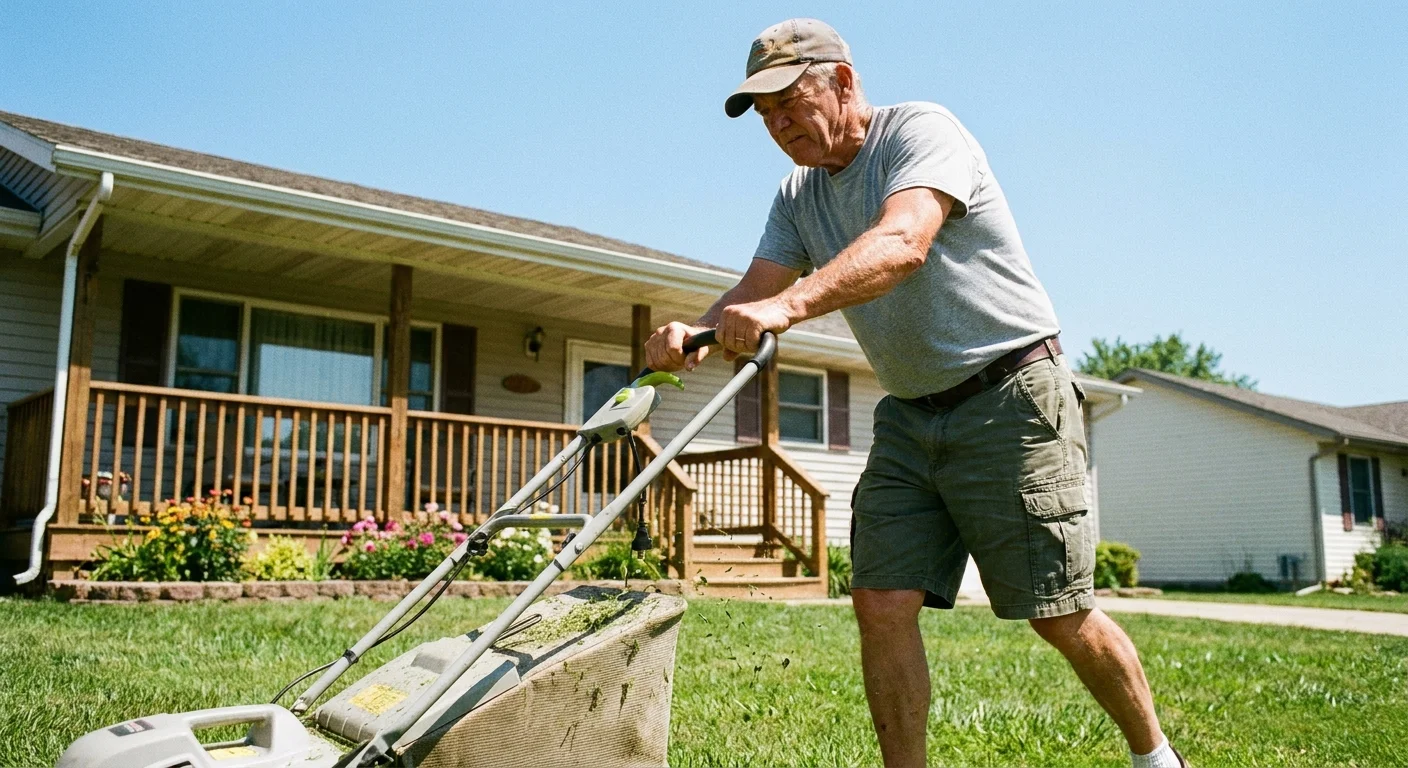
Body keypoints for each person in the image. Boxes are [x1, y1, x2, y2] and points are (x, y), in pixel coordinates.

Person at [644, 18, 1187, 768]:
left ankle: (1156, 758)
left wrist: (789, 308)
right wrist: (693, 334)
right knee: (881, 602)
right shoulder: (798, 195)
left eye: (788, 102)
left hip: (1010, 395)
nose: (778, 126)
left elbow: (904, 242)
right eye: (765, 116)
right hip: (908, 416)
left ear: (842, 81)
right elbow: (755, 290)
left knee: (1057, 613)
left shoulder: (922, 132)